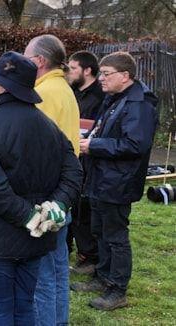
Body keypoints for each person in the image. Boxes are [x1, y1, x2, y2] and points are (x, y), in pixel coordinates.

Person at [0, 51, 82, 325]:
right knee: (25, 305)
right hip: (34, 239)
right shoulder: (51, 129)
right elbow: (73, 171)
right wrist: (57, 206)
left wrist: (30, 216)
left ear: (3, 87)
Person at [73, 52, 158, 311]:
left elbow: (135, 144)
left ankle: (117, 290)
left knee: (116, 237)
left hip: (118, 183)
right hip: (101, 178)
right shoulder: (114, 99)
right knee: (99, 231)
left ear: (125, 76)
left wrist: (94, 145)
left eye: (107, 73)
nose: (101, 78)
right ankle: (102, 277)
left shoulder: (139, 104)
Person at [24, 34, 80, 326]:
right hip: (64, 194)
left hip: (46, 196)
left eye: (27, 57)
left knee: (42, 275)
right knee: (58, 269)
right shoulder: (64, 88)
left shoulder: (44, 94)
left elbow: (34, 151)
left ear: (40, 61)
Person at [66, 50, 106, 275]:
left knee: (85, 209)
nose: (69, 73)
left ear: (87, 70)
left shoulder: (100, 96)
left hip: (90, 158)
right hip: (70, 155)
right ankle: (68, 247)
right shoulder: (70, 92)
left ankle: (89, 256)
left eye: (73, 68)